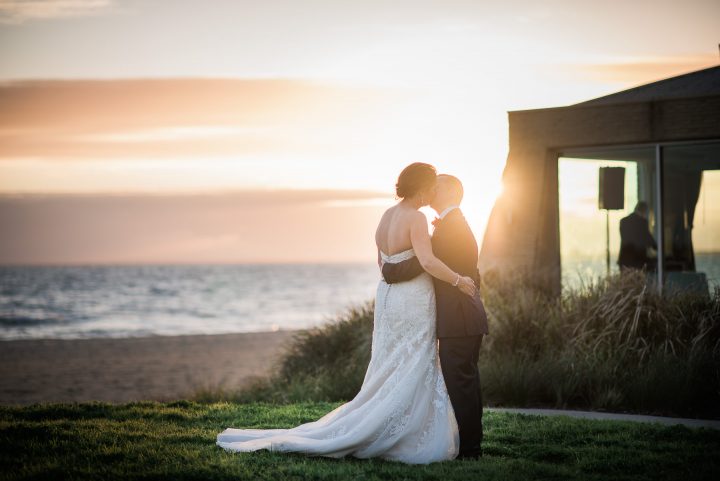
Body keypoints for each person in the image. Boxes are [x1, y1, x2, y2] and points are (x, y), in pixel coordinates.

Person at [216, 162, 477, 464]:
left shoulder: (386, 216)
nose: (435, 190)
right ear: (422, 187)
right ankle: (403, 430)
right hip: (413, 298)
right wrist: (460, 280)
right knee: (414, 358)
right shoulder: (416, 218)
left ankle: (392, 418)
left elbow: (382, 262)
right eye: (432, 185)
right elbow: (428, 262)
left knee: (392, 359)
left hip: (390, 298)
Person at [381, 173, 489, 459]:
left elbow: (425, 262)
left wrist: (390, 271)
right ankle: (472, 443)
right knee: (466, 380)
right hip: (463, 316)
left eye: (435, 186)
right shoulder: (451, 224)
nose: (429, 190)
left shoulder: (452, 227)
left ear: (449, 192)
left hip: (460, 318)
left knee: (461, 381)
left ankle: (470, 449)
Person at [618, 201, 657, 271]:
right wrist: (657, 247)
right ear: (644, 211)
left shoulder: (623, 221)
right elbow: (647, 238)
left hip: (624, 260)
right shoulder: (642, 222)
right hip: (637, 261)